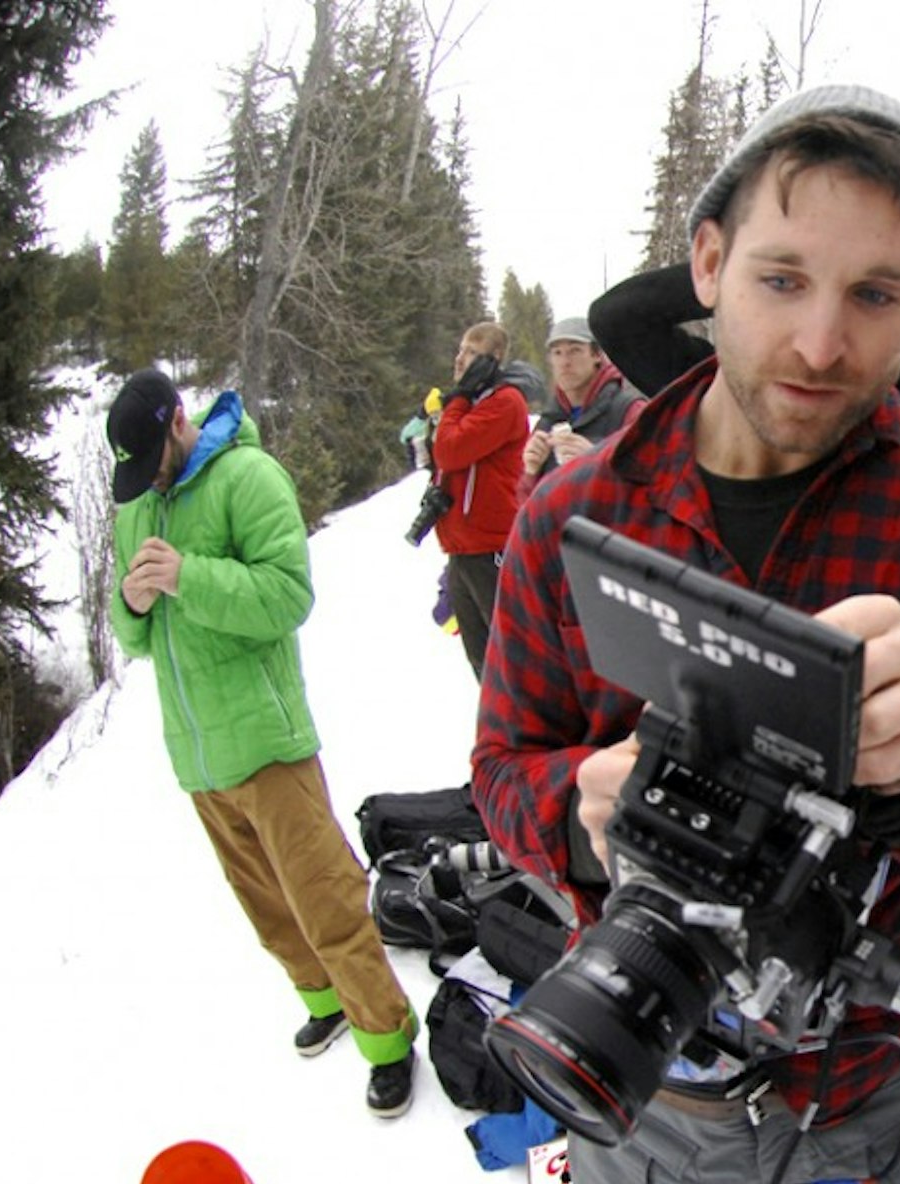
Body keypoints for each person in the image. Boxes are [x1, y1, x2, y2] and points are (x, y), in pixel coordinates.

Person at [470, 85, 900, 1184]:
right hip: (650, 1075)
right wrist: (586, 813)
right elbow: (502, 763)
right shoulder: (573, 513)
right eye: (782, 279)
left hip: (864, 1080)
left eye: (874, 296)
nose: (818, 346)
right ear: (708, 262)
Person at [105, 368, 419, 1118]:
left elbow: (288, 597)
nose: (147, 474)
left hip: (267, 740)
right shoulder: (136, 505)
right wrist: (131, 601)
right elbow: (135, 640)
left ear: (179, 420)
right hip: (197, 752)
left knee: (324, 896)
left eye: (153, 453)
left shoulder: (247, 476)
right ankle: (324, 1000)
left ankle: (389, 1035)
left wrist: (187, 577)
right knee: (265, 903)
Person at [430, 320, 531, 679]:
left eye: (472, 352)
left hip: (491, 546)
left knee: (508, 658)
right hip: (462, 547)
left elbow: (451, 450)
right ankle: (496, 729)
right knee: (480, 659)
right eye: (460, 350)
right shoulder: (473, 403)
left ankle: (526, 729)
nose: (460, 359)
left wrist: (455, 400)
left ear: (495, 358)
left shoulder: (505, 402)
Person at [516, 315, 646, 502]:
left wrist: (599, 464)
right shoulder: (548, 421)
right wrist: (531, 472)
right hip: (557, 529)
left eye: (575, 351)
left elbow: (654, 486)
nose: (565, 362)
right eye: (557, 353)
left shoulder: (630, 411)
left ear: (596, 355)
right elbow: (526, 508)